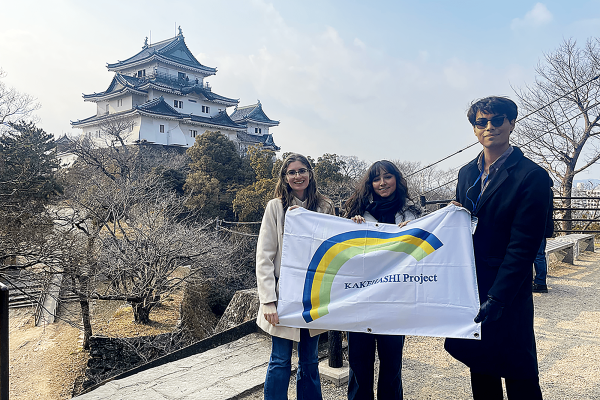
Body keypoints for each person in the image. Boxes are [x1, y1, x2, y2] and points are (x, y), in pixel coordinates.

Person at [444, 96, 552, 400]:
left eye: (497, 120)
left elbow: (524, 245)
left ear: (512, 123)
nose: (489, 127)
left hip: (508, 289)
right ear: (474, 128)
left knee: (520, 370)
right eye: (482, 122)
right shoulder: (467, 173)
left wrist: (498, 297)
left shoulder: (532, 176)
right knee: (481, 367)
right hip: (471, 284)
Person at [256, 153, 335, 400]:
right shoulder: (275, 207)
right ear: (285, 177)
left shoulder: (325, 207)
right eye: (291, 172)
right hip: (284, 294)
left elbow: (333, 248)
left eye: (302, 170)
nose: (297, 176)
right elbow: (264, 256)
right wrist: (268, 300)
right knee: (280, 360)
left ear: (310, 173)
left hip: (314, 292)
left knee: (310, 360)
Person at [343, 160, 421, 400]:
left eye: (387, 177)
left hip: (396, 299)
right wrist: (352, 227)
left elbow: (425, 253)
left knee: (392, 364)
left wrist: (415, 231)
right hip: (360, 298)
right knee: (358, 363)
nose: (382, 183)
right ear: (370, 183)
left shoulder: (412, 213)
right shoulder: (356, 211)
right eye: (376, 179)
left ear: (397, 179)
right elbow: (344, 253)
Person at [533, 195, 554, 293]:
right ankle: (540, 282)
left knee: (538, 255)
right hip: (543, 226)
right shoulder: (547, 190)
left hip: (535, 226)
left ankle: (540, 283)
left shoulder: (538, 190)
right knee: (540, 255)